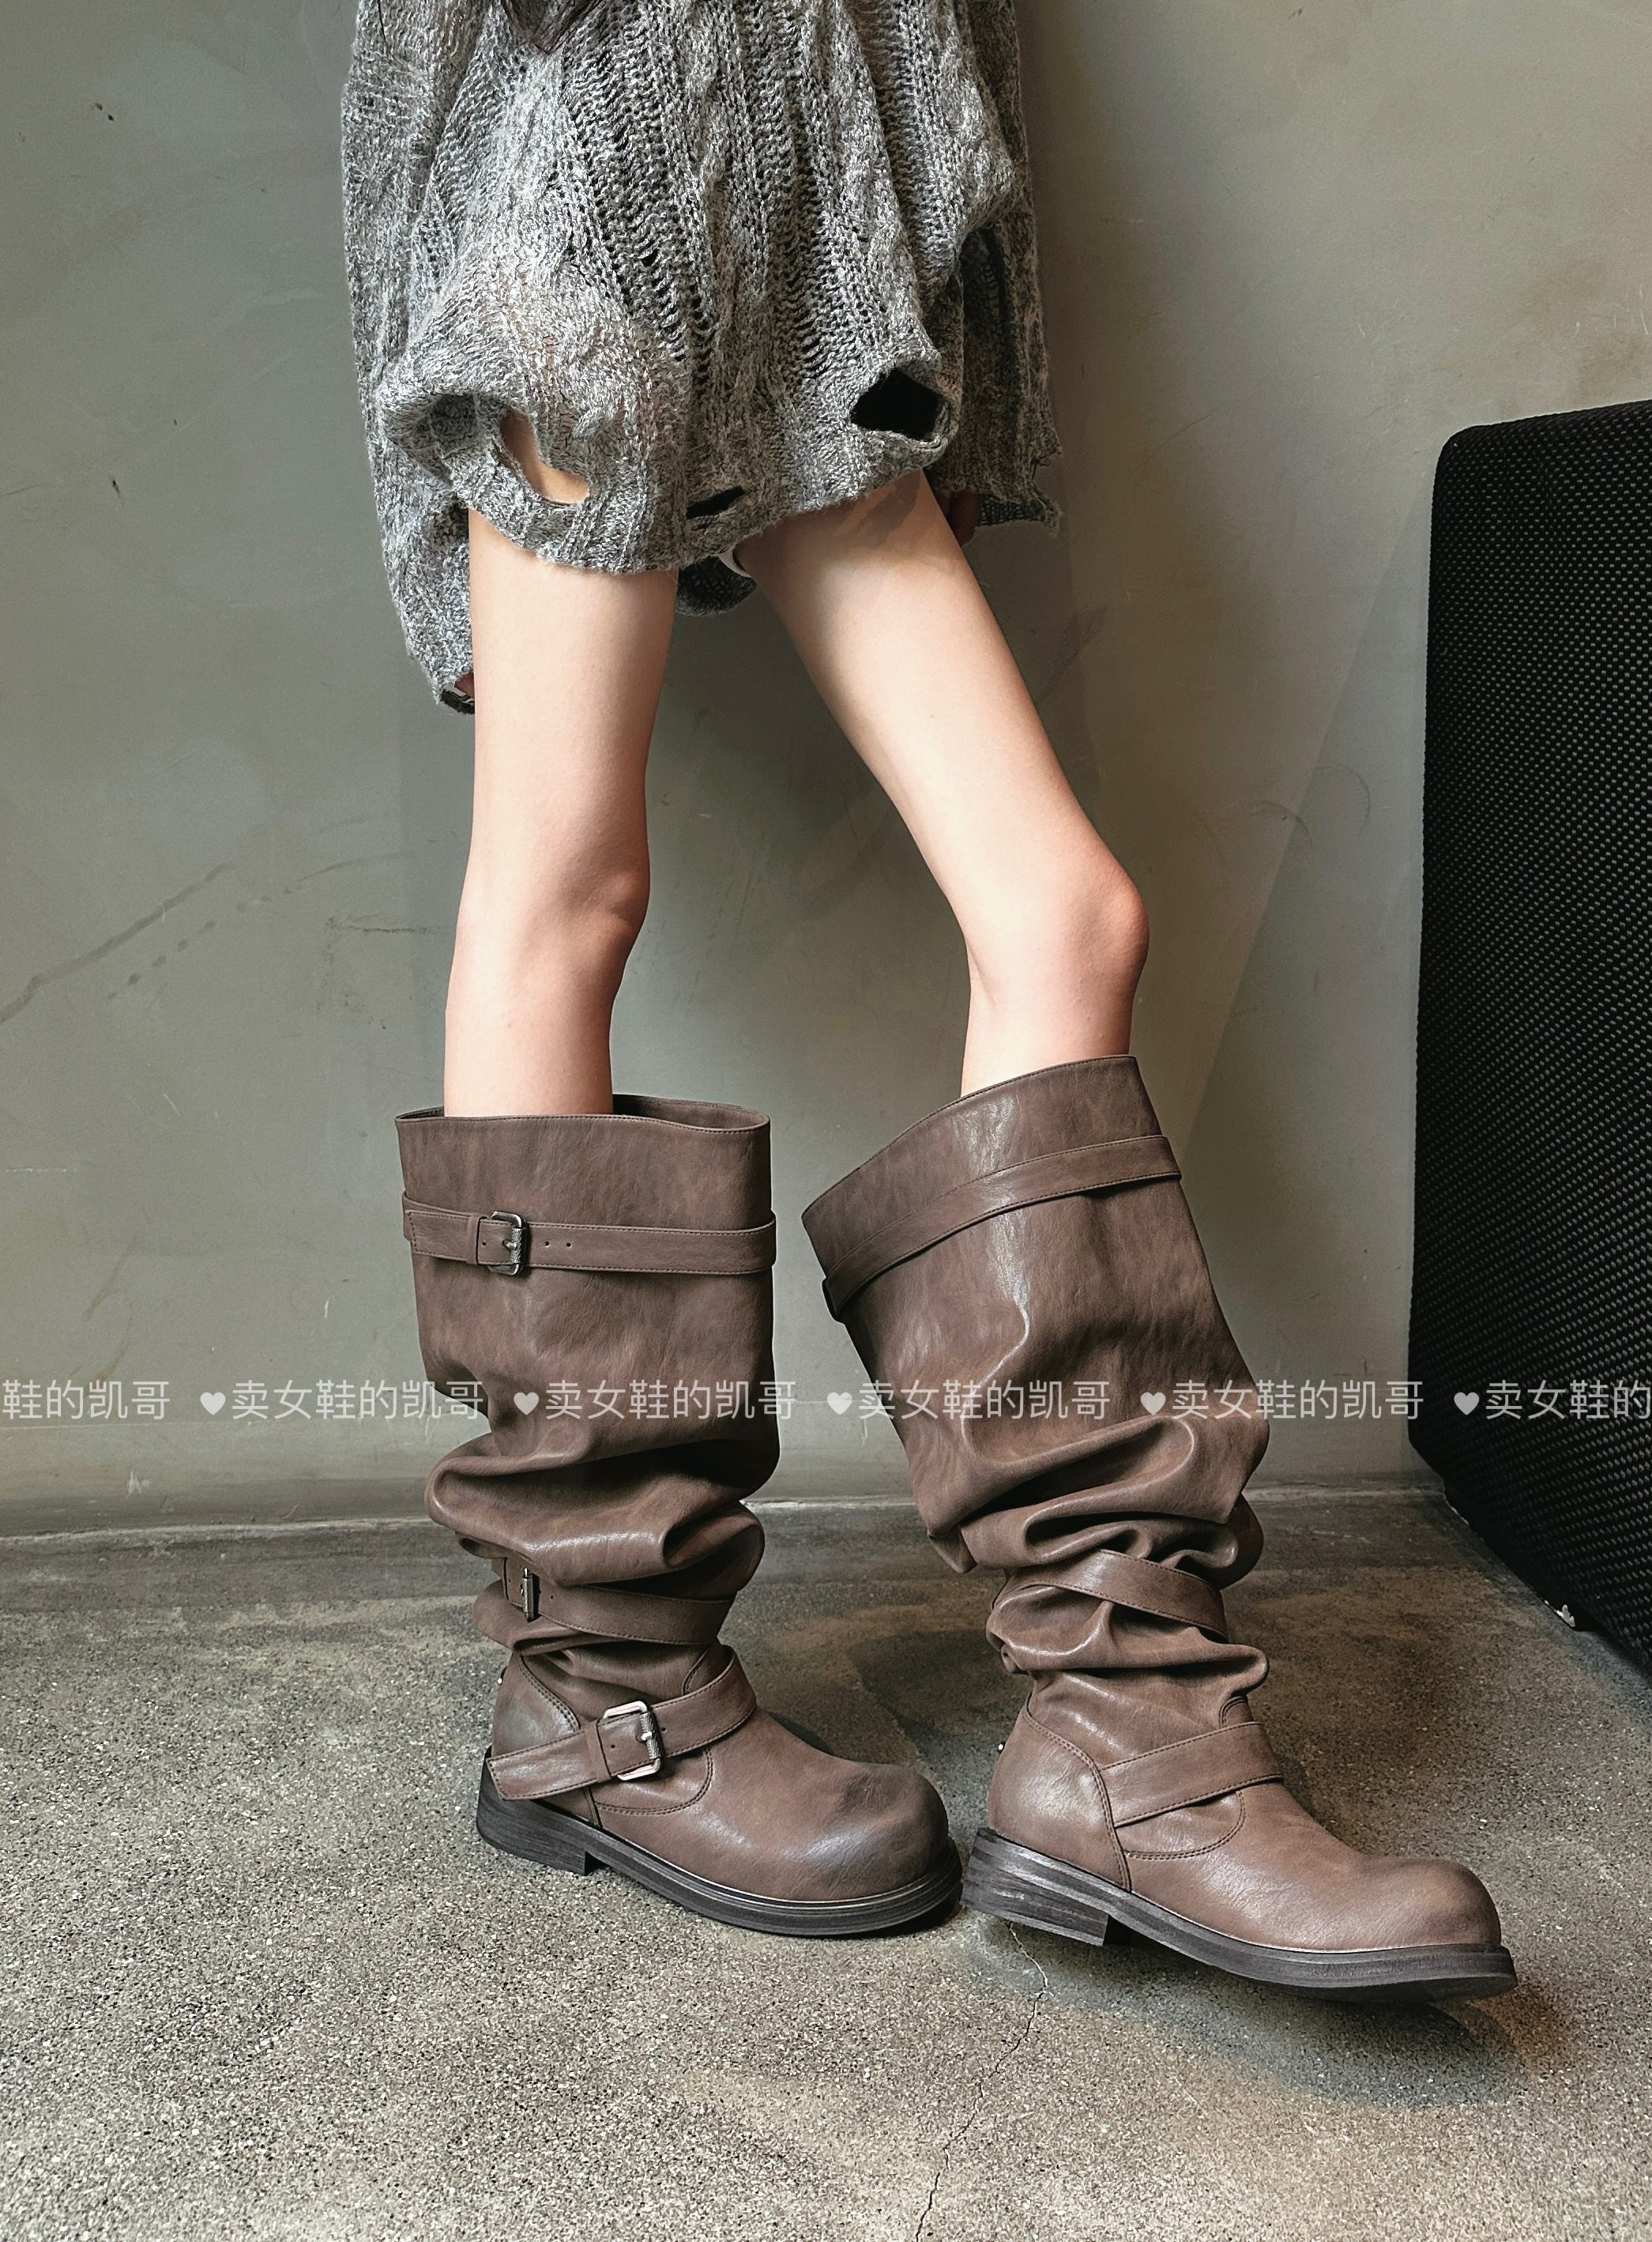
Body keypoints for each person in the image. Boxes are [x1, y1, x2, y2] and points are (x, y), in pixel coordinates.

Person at [343, 0, 1514, 1995]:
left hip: (819, 269)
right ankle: (602, 1701)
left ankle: (1127, 1734)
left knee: (1063, 915)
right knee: (567, 895)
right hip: (593, 205)